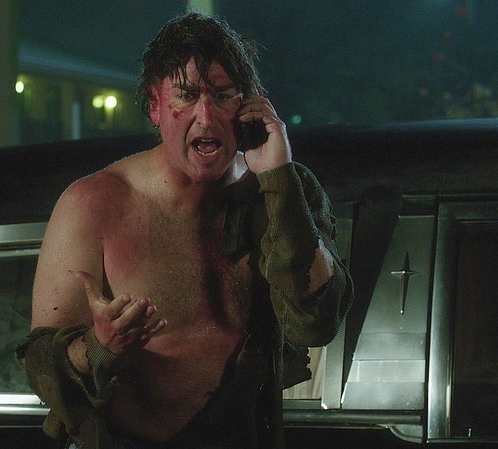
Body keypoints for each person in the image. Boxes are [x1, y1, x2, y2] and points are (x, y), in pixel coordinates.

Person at [17, 11, 352, 449]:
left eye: (223, 95)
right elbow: (41, 367)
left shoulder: (283, 189)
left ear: (247, 106)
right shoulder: (94, 204)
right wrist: (99, 344)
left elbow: (317, 325)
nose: (206, 117)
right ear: (155, 106)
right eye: (187, 96)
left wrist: (279, 179)